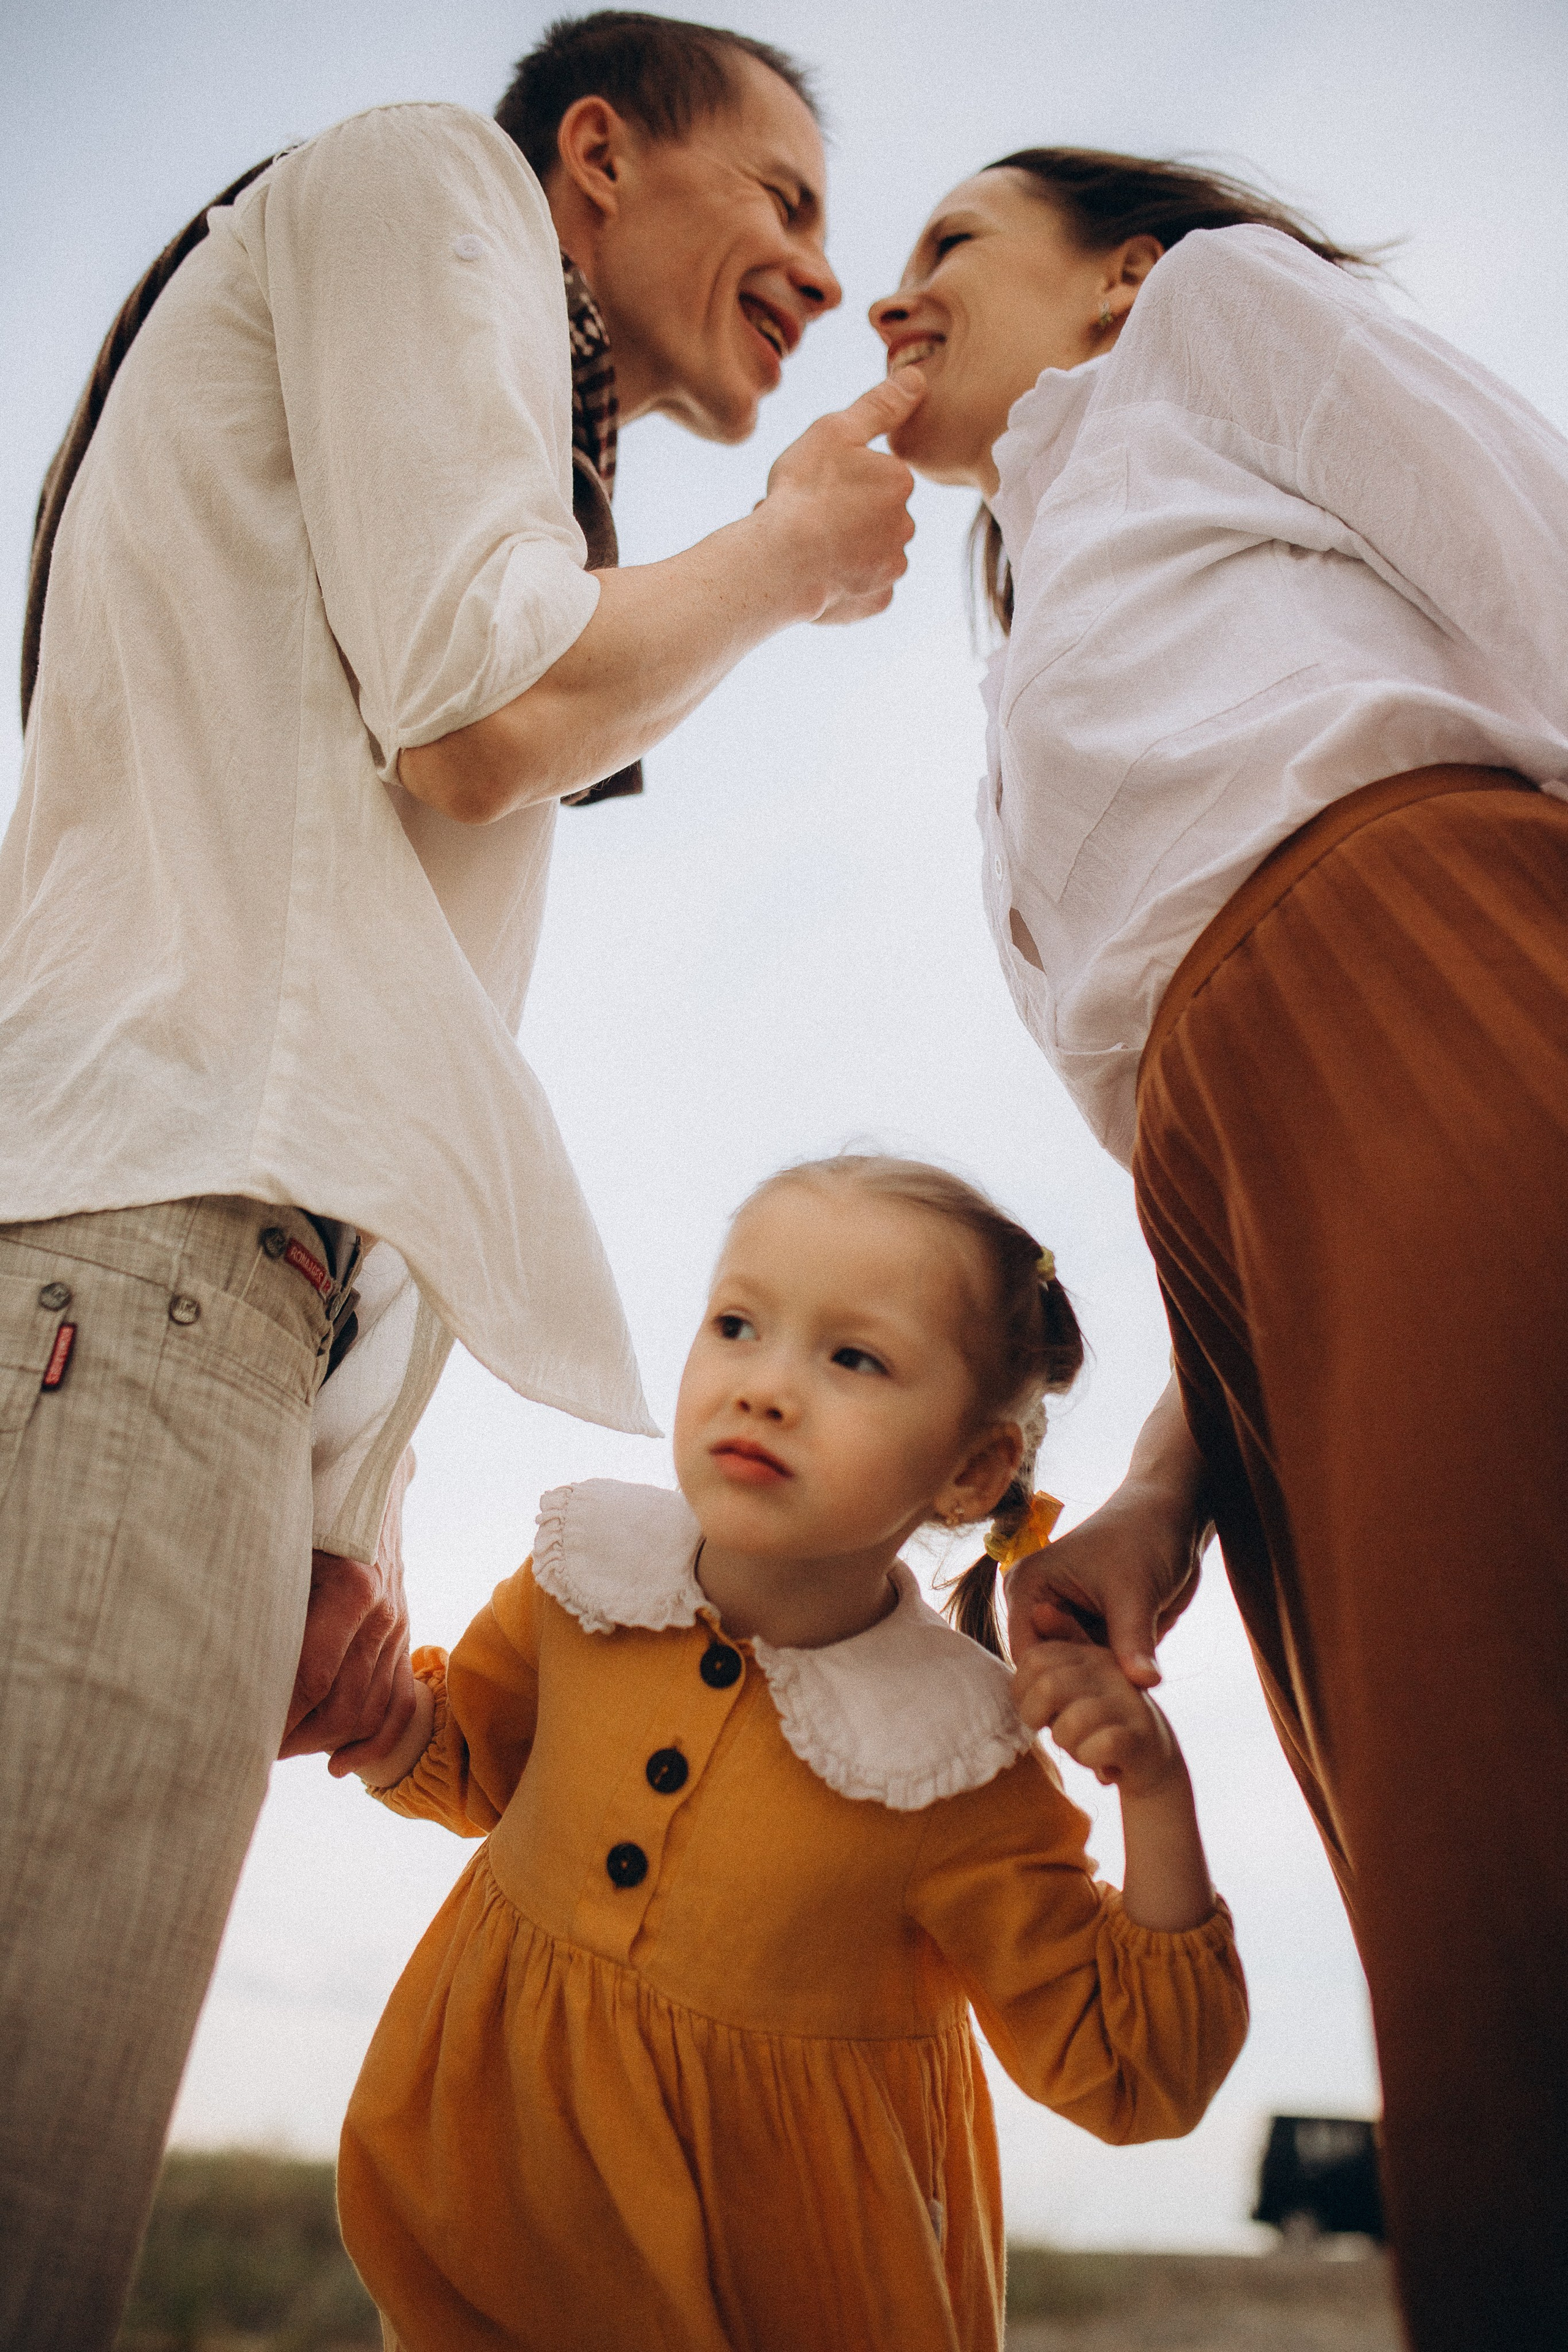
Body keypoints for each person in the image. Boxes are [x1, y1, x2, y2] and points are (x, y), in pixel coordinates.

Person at [0, 15, 926, 2345]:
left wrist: (340, 1509)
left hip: (176, 1309)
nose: (824, 266)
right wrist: (792, 554)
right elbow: (480, 707)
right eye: (787, 196)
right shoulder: (435, 186)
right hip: (139, 1284)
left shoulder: (465, 381)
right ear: (594, 158)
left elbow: (361, 958)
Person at [869, 149, 1568, 2351]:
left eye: (946, 248)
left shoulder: (1217, 329)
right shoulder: (1014, 665)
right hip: (1239, 1222)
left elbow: (1543, 576)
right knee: (1473, 1945)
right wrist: (1172, 1491)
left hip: (1452, 962)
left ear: (1119, 280)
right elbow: (1241, 1103)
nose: (892, 301)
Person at [336, 1154, 1247, 2352]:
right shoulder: (587, 1578)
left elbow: (1126, 2070)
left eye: (851, 1358)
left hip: (781, 2293)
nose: (764, 1387)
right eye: (736, 1325)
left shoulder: (954, 1758)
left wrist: (1157, 1792)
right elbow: (476, 1763)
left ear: (972, 1471)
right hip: (494, 2217)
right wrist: (364, 1706)